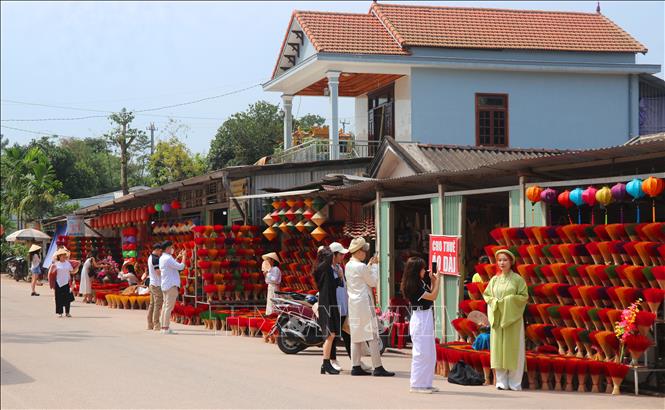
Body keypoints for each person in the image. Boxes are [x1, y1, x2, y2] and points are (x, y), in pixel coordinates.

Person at [345, 237, 394, 377]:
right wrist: (376, 266)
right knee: (372, 335)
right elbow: (372, 282)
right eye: (364, 250)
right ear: (358, 251)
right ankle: (377, 366)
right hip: (364, 304)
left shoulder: (349, 265)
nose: (366, 253)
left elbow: (361, 277)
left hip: (354, 304)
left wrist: (369, 266)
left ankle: (355, 366)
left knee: (356, 337)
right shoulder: (360, 266)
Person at [482, 249, 528, 391]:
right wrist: (495, 302)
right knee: (498, 350)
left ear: (511, 262)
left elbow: (523, 297)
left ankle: (515, 382)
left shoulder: (518, 280)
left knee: (514, 350)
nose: (502, 263)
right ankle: (501, 381)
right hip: (498, 319)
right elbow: (487, 296)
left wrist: (508, 300)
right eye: (499, 260)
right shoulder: (494, 280)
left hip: (513, 320)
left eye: (505, 260)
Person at [400, 257, 440, 394]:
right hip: (420, 317)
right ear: (417, 270)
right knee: (421, 353)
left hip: (426, 315)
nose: (425, 270)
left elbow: (431, 296)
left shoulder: (420, 282)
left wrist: (434, 282)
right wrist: (437, 281)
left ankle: (426, 383)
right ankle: (417, 384)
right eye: (423, 268)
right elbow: (433, 297)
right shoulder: (412, 286)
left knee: (429, 352)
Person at [313, 246, 340, 375]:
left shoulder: (321, 268)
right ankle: (326, 363)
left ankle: (326, 364)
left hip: (327, 302)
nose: (333, 257)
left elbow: (329, 286)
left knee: (330, 335)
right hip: (327, 303)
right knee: (330, 335)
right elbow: (330, 286)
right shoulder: (324, 268)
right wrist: (339, 278)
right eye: (331, 255)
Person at [328, 242, 352, 372]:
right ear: (334, 255)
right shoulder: (328, 269)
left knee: (347, 333)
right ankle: (332, 359)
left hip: (343, 305)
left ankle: (354, 360)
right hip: (333, 305)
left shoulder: (339, 267)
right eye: (341, 254)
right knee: (334, 335)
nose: (343, 256)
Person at [159, 241, 186, 334]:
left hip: (166, 284)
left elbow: (172, 265)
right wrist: (184, 257)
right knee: (168, 307)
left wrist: (178, 257)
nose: (172, 249)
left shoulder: (163, 258)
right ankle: (165, 328)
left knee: (165, 306)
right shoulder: (168, 258)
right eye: (171, 247)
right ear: (167, 248)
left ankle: (163, 326)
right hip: (171, 285)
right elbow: (181, 267)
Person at [48, 248, 78, 318]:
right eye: (62, 256)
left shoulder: (68, 263)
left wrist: (77, 267)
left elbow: (72, 271)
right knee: (58, 298)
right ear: (59, 256)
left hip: (66, 282)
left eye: (65, 255)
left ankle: (67, 312)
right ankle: (60, 312)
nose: (64, 257)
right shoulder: (55, 264)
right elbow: (51, 274)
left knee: (67, 298)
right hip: (58, 282)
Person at [144, 242, 164, 331]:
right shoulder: (155, 259)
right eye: (160, 251)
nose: (161, 253)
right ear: (156, 250)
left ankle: (150, 324)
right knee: (157, 305)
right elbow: (158, 272)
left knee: (152, 305)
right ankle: (156, 324)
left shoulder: (150, 257)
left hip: (152, 283)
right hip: (157, 285)